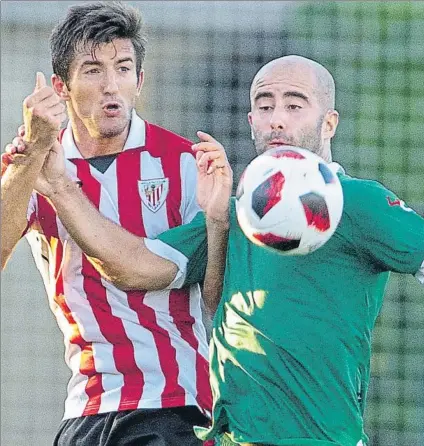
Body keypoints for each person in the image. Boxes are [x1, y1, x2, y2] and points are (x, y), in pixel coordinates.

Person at [5, 54, 424, 444]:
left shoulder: (359, 203)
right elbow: (133, 267)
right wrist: (61, 187)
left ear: (329, 122)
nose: (277, 120)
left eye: (294, 106)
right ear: (250, 120)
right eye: (265, 106)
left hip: (324, 437)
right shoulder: (231, 213)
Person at [1, 2, 213, 445]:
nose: (111, 85)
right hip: (87, 407)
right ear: (61, 87)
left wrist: (58, 186)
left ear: (140, 81)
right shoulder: (32, 162)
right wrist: (28, 161)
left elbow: (139, 270)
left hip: (173, 403)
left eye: (123, 67)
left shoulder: (186, 166)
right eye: (93, 70)